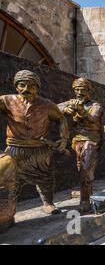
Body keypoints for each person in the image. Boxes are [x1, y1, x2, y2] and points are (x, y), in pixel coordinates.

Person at [0, 70, 69, 229]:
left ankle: (48, 203)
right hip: (15, 150)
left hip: (40, 150)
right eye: (22, 85)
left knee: (45, 178)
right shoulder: (6, 100)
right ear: (16, 86)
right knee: (11, 182)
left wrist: (64, 139)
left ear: (37, 88)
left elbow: (61, 119)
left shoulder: (46, 104)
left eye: (31, 86)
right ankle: (8, 214)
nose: (26, 89)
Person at [63, 78, 104, 213]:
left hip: (91, 140)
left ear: (88, 91)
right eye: (77, 90)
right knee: (82, 169)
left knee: (85, 170)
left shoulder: (96, 105)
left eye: (83, 90)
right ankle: (87, 192)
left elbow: (92, 120)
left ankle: (84, 200)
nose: (79, 92)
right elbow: (53, 108)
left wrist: (81, 109)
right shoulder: (73, 103)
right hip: (77, 141)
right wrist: (64, 109)